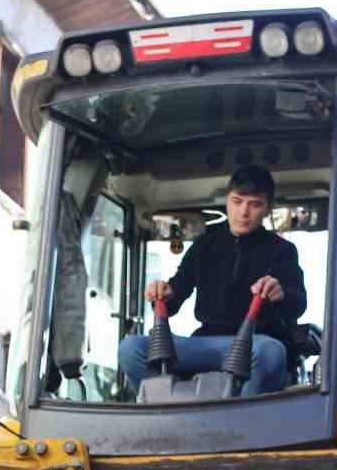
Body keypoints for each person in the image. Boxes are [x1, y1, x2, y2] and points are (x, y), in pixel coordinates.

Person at [118, 165, 307, 396]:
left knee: (272, 351)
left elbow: (298, 305)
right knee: (130, 349)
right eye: (237, 201)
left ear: (267, 209)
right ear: (227, 201)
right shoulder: (204, 245)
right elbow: (174, 298)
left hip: (253, 344)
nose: (243, 212)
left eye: (254, 204)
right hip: (204, 344)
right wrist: (163, 293)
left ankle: (242, 423)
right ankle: (165, 411)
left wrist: (281, 294)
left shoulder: (282, 250)